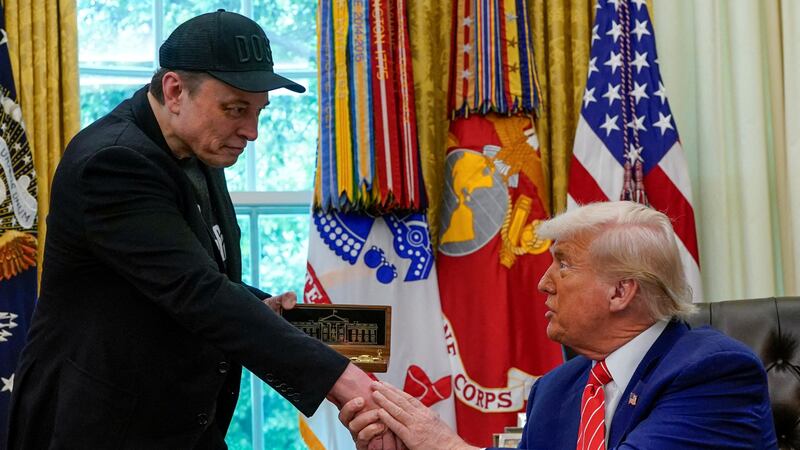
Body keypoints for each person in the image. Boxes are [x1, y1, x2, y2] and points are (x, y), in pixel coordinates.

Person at [6, 10, 394, 449]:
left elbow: (183, 268)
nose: (251, 131)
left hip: (179, 421)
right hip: (99, 425)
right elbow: (196, 291)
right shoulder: (112, 162)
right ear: (175, 91)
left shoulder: (196, 143)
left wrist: (256, 303)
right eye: (235, 110)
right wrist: (349, 384)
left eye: (258, 111)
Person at [343, 201, 778, 449]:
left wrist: (447, 445)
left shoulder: (714, 374)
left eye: (563, 265)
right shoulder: (555, 390)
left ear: (620, 292)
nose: (542, 283)